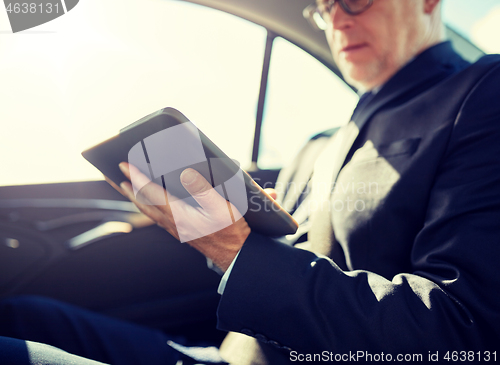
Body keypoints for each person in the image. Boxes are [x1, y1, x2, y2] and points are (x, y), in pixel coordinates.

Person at [1, 0, 499, 363]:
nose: (338, 18)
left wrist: (235, 250)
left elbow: (464, 336)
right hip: (225, 356)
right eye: (325, 7)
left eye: (355, 0)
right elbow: (286, 262)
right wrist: (227, 235)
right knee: (21, 317)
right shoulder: (321, 143)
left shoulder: (482, 95)